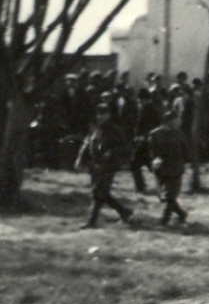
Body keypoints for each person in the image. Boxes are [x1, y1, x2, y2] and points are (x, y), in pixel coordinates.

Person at [75, 97, 135, 228]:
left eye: (104, 114)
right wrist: (80, 159)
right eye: (99, 114)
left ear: (109, 115)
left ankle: (91, 222)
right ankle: (124, 211)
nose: (100, 116)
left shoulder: (115, 130)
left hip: (109, 165)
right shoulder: (95, 129)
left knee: (97, 193)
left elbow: (125, 147)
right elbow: (86, 144)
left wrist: (112, 152)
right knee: (103, 193)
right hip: (95, 164)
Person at [146, 109, 189, 225]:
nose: (177, 123)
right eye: (175, 121)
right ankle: (181, 214)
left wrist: (185, 162)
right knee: (164, 197)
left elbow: (186, 150)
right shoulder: (155, 134)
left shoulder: (179, 134)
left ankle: (164, 221)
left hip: (175, 168)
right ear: (167, 121)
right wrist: (154, 160)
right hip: (161, 168)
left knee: (169, 195)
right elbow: (151, 150)